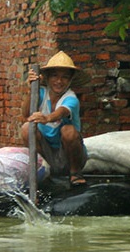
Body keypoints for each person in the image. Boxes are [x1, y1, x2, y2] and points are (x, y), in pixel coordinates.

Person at [21, 51, 91, 187]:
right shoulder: (40, 93)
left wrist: (47, 118)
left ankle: (75, 173)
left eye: (64, 77)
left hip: (69, 156)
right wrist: (30, 90)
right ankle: (42, 171)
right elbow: (25, 113)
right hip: (47, 154)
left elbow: (61, 112)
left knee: (68, 130)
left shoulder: (71, 98)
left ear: (70, 80)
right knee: (26, 128)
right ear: (47, 78)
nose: (59, 81)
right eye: (54, 76)